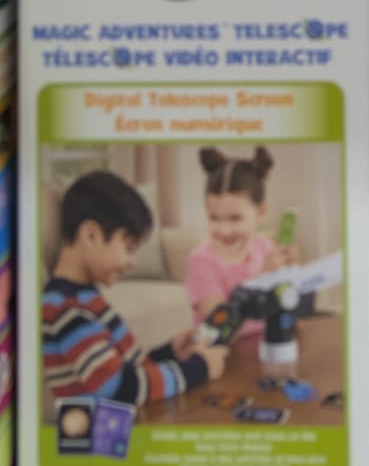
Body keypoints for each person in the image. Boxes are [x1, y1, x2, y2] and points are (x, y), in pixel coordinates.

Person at [42, 169, 225, 418]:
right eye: (128, 248)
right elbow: (117, 387)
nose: (132, 262)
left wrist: (170, 351)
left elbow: (121, 367)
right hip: (99, 433)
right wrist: (199, 368)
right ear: (91, 236)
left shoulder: (83, 297)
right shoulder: (67, 309)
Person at [186, 145, 286, 335]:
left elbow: (282, 307)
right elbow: (220, 328)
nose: (224, 230)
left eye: (235, 218)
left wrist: (295, 274)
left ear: (261, 212)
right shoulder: (200, 260)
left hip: (266, 342)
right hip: (222, 351)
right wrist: (260, 282)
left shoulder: (265, 247)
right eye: (214, 218)